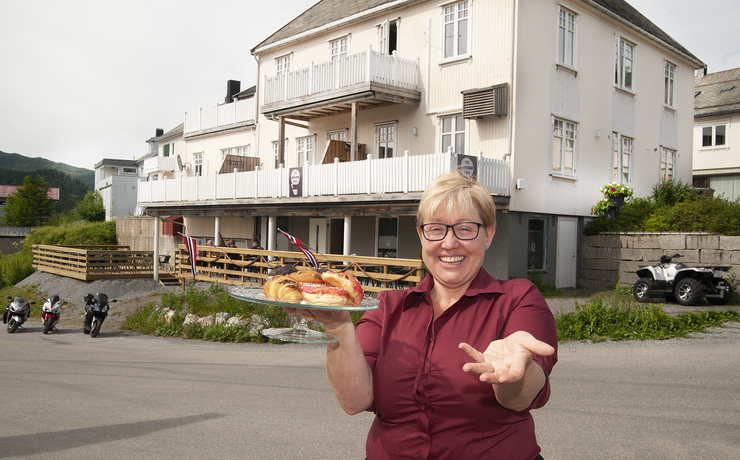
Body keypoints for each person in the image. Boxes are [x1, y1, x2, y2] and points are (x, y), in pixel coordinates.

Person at [290, 172, 558, 460]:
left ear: (488, 234)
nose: (449, 242)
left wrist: (514, 374)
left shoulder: (518, 299)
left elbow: (519, 399)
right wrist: (337, 325)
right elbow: (355, 401)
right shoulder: (387, 307)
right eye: (435, 229)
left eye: (465, 229)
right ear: (421, 235)